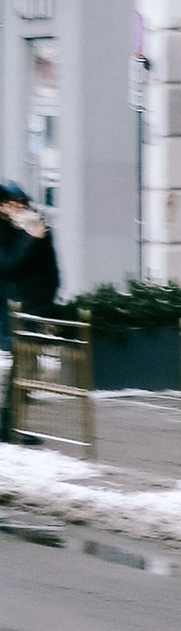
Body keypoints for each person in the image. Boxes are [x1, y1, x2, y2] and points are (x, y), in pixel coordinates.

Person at [0, 184, 59, 443]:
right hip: (8, 307)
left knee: (27, 367)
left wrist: (48, 297)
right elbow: (9, 266)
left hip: (34, 306)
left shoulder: (36, 226)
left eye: (21, 202)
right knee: (19, 365)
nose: (18, 208)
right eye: (11, 203)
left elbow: (49, 266)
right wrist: (30, 238)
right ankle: (9, 426)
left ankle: (11, 425)